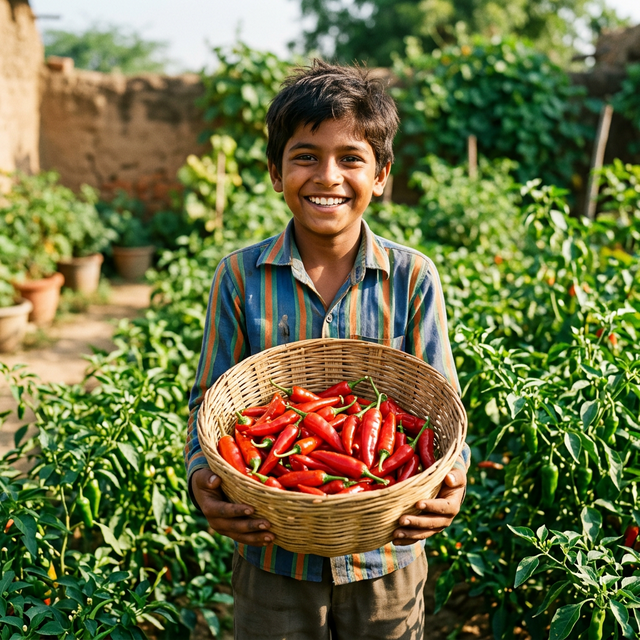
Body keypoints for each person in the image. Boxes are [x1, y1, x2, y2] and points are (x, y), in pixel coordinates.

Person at [185, 59, 470, 640]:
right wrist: (202, 481)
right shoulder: (239, 277)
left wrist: (452, 483)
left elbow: (444, 414)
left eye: (351, 158)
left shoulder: (412, 277)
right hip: (273, 556)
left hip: (385, 555)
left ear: (382, 174)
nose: (328, 176)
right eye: (305, 156)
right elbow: (207, 407)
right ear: (275, 171)